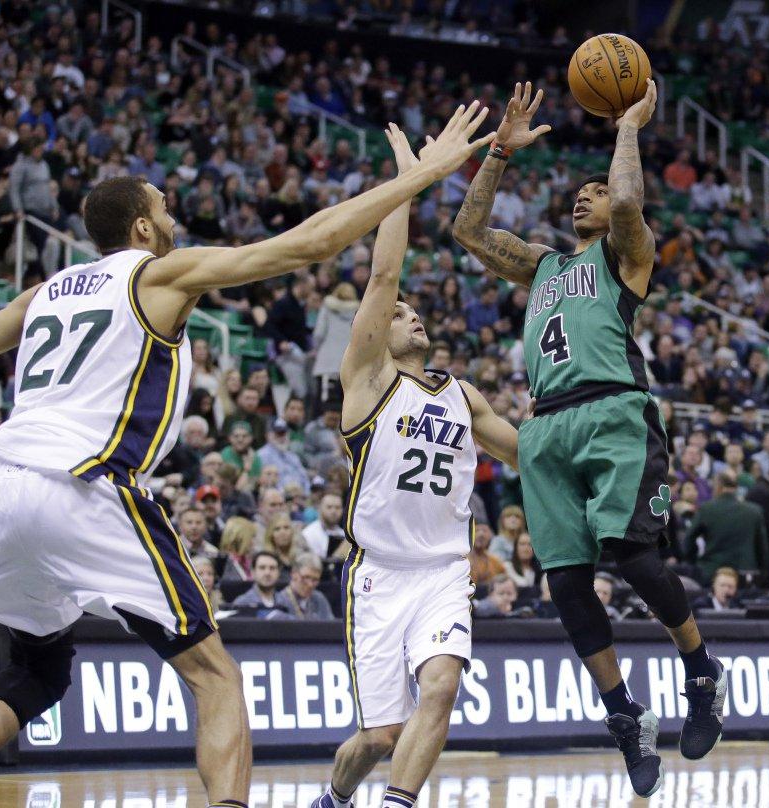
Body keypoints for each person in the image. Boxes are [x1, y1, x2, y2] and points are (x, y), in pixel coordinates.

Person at [0, 105, 492, 808]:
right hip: (84, 485)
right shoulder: (158, 274)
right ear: (144, 228)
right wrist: (424, 175)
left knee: (39, 664)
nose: (174, 215)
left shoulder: (43, 294)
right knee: (217, 680)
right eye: (164, 207)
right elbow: (307, 245)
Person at [454, 80, 724, 797]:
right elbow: (469, 234)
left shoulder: (625, 256)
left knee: (633, 554)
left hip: (612, 414)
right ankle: (624, 716)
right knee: (566, 582)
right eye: (578, 191)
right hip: (545, 424)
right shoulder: (543, 262)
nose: (585, 197)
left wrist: (629, 126)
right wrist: (499, 156)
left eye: (594, 191)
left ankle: (700, 670)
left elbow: (631, 205)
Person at [313, 121, 518, 808]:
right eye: (397, 315)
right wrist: (410, 181)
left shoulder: (462, 394)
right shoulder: (368, 382)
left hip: (441, 571)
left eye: (413, 312)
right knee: (376, 739)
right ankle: (335, 799)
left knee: (443, 686)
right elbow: (383, 272)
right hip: (377, 575)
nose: (409, 315)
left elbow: (529, 452)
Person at [684, 470, 768, 582]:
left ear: (718, 486)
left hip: (713, 571)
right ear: (736, 488)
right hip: (745, 573)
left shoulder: (707, 509)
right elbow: (762, 547)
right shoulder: (754, 511)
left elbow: (689, 538)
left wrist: (692, 561)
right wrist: (762, 572)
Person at [231, 551, 290, 619]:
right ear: (253, 572)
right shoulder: (241, 604)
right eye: (262, 567)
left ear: (279, 573)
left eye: (272, 568)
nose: (267, 573)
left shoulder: (287, 602)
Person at [275, 553, 334, 619]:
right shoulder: (279, 601)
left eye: (315, 580)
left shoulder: (319, 599)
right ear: (293, 574)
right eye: (306, 577)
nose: (310, 584)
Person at [301, 493, 347, 561]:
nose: (333, 511)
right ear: (320, 508)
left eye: (337, 507)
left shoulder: (344, 534)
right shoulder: (308, 533)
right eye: (329, 507)